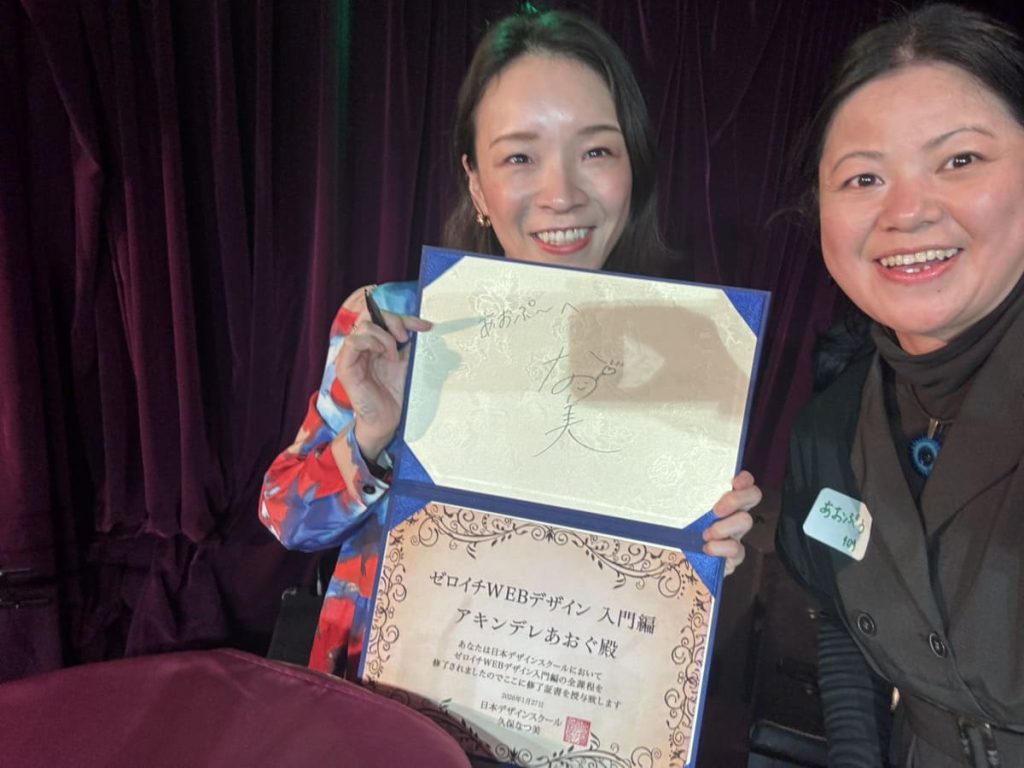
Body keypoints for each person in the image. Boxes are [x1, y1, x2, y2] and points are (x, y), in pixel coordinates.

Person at [261, 9, 761, 679]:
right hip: (386, 705)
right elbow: (287, 519)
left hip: (564, 697)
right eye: (520, 157)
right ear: (476, 183)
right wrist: (372, 440)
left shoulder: (682, 353)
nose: (562, 195)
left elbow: (652, 630)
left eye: (596, 152)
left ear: (633, 167)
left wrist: (697, 553)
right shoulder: (392, 323)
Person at [775, 4, 1024, 766]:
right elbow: (841, 616)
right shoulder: (830, 429)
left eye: (960, 160)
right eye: (864, 177)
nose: (908, 211)